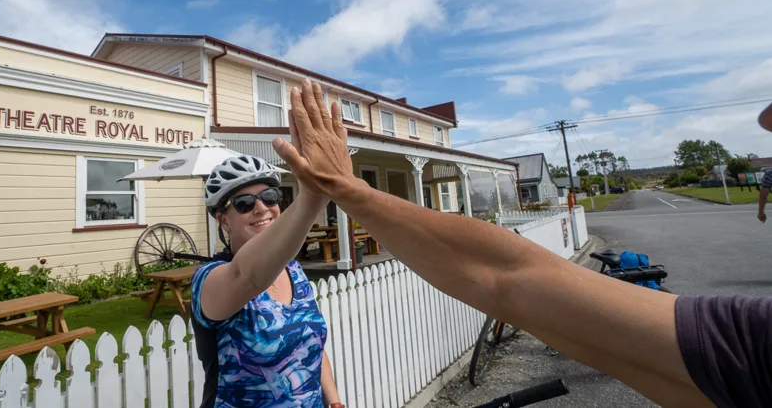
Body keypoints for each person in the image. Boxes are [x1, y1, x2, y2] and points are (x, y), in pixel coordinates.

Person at [271, 78, 772, 408]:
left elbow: (506, 278)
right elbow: (506, 276)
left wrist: (349, 187)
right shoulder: (752, 348)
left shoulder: (751, 345)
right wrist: (348, 187)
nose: (766, 119)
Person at [190, 154, 342, 408]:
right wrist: (313, 196)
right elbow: (247, 276)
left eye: (270, 196)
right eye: (244, 203)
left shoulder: (293, 269)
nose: (261, 208)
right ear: (223, 220)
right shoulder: (209, 279)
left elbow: (309, 342)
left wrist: (335, 401)